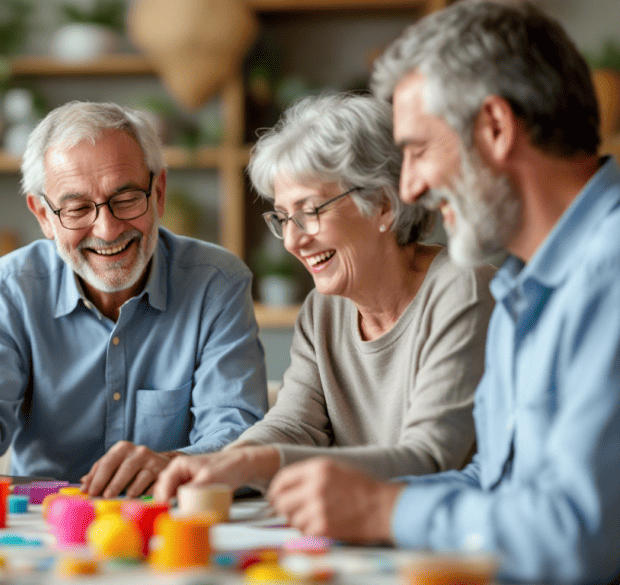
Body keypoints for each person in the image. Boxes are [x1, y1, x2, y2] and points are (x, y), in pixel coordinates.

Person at [263, 2, 620, 584]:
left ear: (496, 129)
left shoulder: (609, 276)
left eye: (419, 149)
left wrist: (385, 509)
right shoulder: (520, 287)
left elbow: (580, 538)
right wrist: (354, 498)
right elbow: (491, 482)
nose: (410, 187)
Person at [0, 101, 268, 497]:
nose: (107, 228)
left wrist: (173, 463)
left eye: (126, 198)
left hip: (167, 518)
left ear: (159, 192)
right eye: (78, 208)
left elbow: (236, 436)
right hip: (44, 526)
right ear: (44, 216)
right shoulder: (11, 286)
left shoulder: (216, 282)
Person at [154, 94, 495, 501]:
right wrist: (224, 462)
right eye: (283, 217)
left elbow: (430, 458)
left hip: (445, 547)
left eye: (310, 211)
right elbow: (295, 425)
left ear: (383, 206)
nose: (293, 240)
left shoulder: (463, 288)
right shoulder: (324, 310)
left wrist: (258, 464)